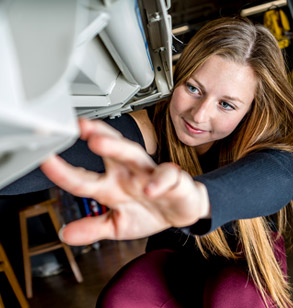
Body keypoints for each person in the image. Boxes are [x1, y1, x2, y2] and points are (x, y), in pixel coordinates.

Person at [1, 16, 293, 307]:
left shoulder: (266, 141)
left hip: (248, 262)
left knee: (232, 298)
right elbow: (21, 168)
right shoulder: (149, 126)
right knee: (123, 299)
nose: (199, 115)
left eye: (226, 104)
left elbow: (282, 174)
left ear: (252, 109)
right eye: (193, 88)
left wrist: (196, 200)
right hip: (175, 265)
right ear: (178, 77)